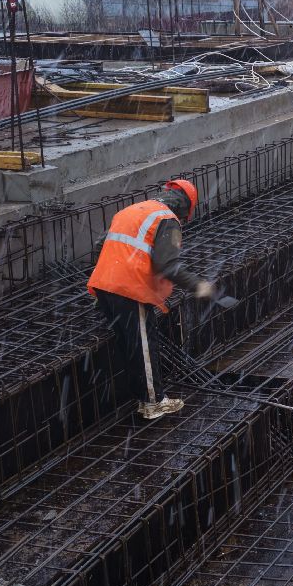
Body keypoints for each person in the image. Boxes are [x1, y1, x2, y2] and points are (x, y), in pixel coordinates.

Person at [86, 177, 217, 419]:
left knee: (127, 344)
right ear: (185, 208)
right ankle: (153, 402)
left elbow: (98, 245)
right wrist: (199, 286)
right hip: (129, 289)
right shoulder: (167, 220)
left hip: (105, 286)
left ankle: (138, 396)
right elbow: (167, 265)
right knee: (143, 346)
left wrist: (108, 282)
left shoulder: (133, 211)